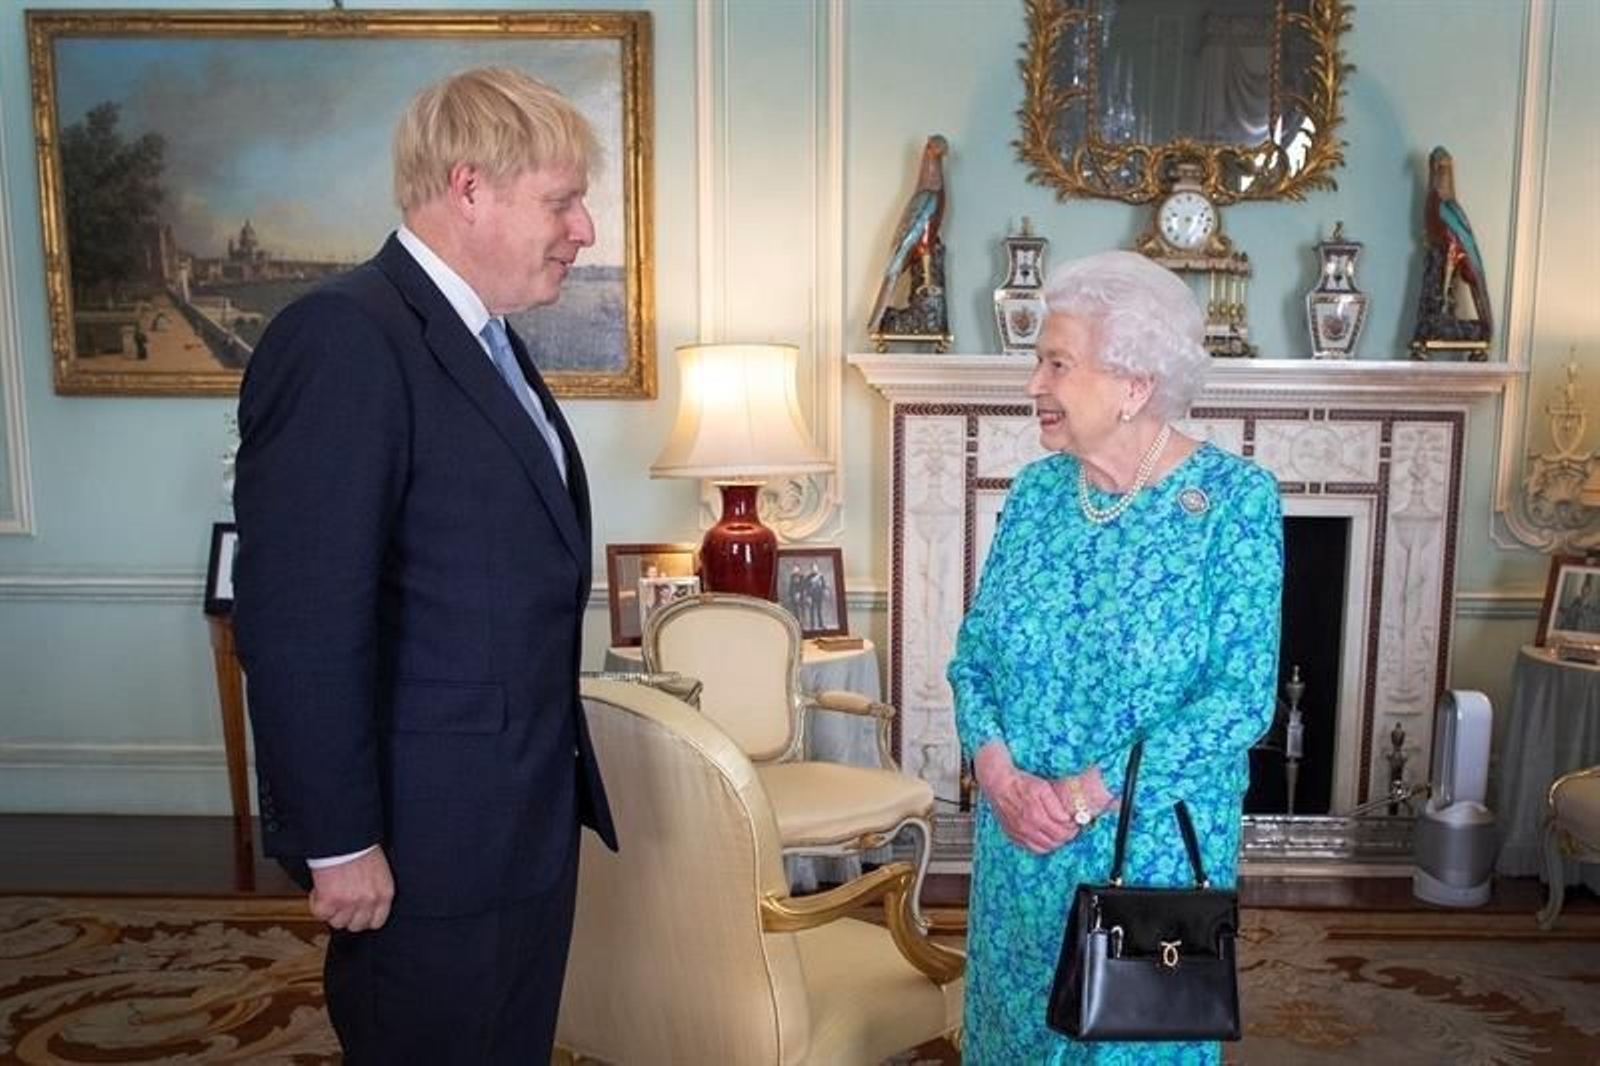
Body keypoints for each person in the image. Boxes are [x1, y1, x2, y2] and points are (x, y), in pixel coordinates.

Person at [232, 67, 615, 1064]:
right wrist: (338, 837)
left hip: (514, 819)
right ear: (469, 187)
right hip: (422, 840)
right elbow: (301, 619)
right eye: (562, 201)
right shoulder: (344, 337)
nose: (584, 230)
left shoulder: (483, 339)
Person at [947, 250, 1283, 1063]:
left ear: (1135, 385)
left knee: (1130, 1047)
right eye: (1038, 361)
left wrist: (1083, 797)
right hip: (1020, 842)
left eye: (1056, 363)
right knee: (1013, 1036)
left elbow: (1238, 701)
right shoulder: (1034, 496)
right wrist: (997, 776)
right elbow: (974, 657)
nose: (1034, 384)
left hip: (1147, 856)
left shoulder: (1233, 505)